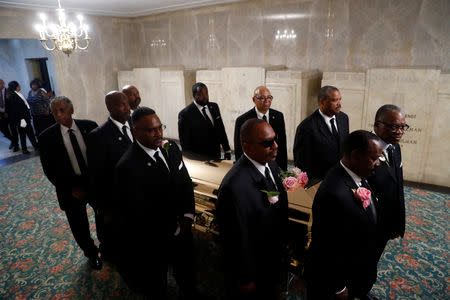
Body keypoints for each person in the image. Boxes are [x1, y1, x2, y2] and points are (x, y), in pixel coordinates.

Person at [114, 107, 196, 298]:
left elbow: (185, 183)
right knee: (156, 285)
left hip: (183, 228)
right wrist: (172, 229)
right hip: (154, 240)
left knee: (187, 272)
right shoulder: (126, 167)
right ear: (135, 132)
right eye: (151, 130)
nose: (158, 133)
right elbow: (137, 213)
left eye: (160, 128)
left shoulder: (171, 148)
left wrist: (187, 216)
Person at [305, 130, 382, 300]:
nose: (378, 163)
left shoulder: (357, 175)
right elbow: (327, 247)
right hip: (333, 282)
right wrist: (338, 287)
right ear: (355, 155)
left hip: (354, 269)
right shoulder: (334, 193)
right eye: (374, 158)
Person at [217, 118, 289, 300]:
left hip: (272, 259)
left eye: (275, 139)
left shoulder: (271, 165)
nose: (275, 146)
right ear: (247, 147)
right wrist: (245, 278)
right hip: (253, 269)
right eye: (267, 143)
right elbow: (234, 240)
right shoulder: (233, 187)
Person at [39, 96, 101, 270]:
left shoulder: (90, 126)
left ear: (71, 110)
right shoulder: (46, 137)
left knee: (103, 215)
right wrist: (71, 188)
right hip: (70, 188)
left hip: (94, 182)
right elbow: (49, 170)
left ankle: (108, 247)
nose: (59, 115)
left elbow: (100, 157)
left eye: (62, 110)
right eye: (55, 112)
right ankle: (91, 253)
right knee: (78, 224)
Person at [86, 91, 132, 261]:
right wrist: (103, 209)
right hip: (116, 198)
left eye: (127, 103)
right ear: (110, 108)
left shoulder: (134, 125)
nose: (128, 108)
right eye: (122, 104)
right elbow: (97, 177)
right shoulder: (98, 136)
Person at [369, 105, 406, 262]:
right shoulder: (365, 149)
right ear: (378, 125)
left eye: (403, 127)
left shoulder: (394, 147)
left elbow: (397, 187)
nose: (399, 132)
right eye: (394, 127)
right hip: (367, 226)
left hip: (386, 224)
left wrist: (397, 222)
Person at [293, 85, 349, 180]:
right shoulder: (306, 127)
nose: (339, 104)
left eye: (340, 99)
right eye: (335, 100)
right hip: (319, 181)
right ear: (322, 102)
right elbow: (301, 163)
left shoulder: (343, 118)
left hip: (341, 177)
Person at [233, 86, 288, 170]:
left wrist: (283, 168)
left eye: (269, 97)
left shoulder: (278, 116)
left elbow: (282, 144)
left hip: (274, 164)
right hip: (254, 166)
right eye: (262, 98)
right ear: (254, 100)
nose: (266, 101)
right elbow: (239, 149)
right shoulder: (243, 120)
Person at [178, 82, 231, 160]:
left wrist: (227, 150)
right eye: (201, 94)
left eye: (206, 93)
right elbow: (184, 143)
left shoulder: (214, 106)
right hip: (199, 158)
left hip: (216, 154)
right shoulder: (185, 114)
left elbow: (221, 129)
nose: (205, 97)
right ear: (194, 95)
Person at [5, 81, 38, 154]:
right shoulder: (13, 96)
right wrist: (22, 119)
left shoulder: (16, 94)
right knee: (27, 133)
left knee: (25, 133)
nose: (20, 87)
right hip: (22, 118)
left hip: (24, 117)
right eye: (18, 86)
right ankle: (29, 148)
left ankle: (28, 148)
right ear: (16, 87)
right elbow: (16, 109)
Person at [0, 79, 14, 148]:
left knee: (12, 129)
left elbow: (11, 103)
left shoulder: (8, 92)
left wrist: (7, 112)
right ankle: (13, 140)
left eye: (0, 83)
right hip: (1, 114)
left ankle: (15, 144)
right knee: (3, 130)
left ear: (3, 84)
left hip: (9, 113)